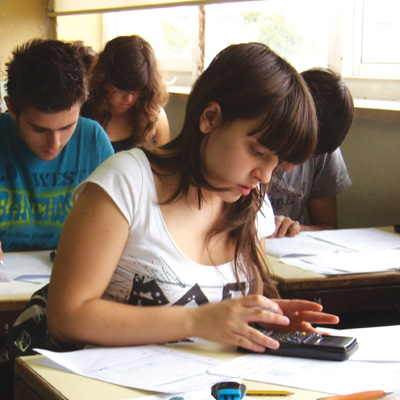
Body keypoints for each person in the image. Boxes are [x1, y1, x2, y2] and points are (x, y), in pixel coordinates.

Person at [2, 43, 338, 362]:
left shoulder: (253, 204)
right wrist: (196, 321)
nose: (264, 176)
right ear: (210, 117)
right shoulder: (127, 183)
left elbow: (235, 319)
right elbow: (67, 317)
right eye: (257, 152)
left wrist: (265, 322)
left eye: (276, 162)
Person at [0, 39, 114, 253]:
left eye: (67, 127)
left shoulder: (94, 141)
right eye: (39, 129)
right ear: (12, 109)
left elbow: (119, 225)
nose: (55, 143)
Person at [267, 68, 354, 238]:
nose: (290, 166)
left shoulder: (325, 146)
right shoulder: (255, 137)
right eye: (294, 148)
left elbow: (327, 226)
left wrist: (294, 229)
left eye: (308, 155)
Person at [81, 35, 170, 152]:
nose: (129, 99)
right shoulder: (83, 114)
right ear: (103, 80)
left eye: (136, 91)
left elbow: (164, 162)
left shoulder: (154, 116)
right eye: (121, 90)